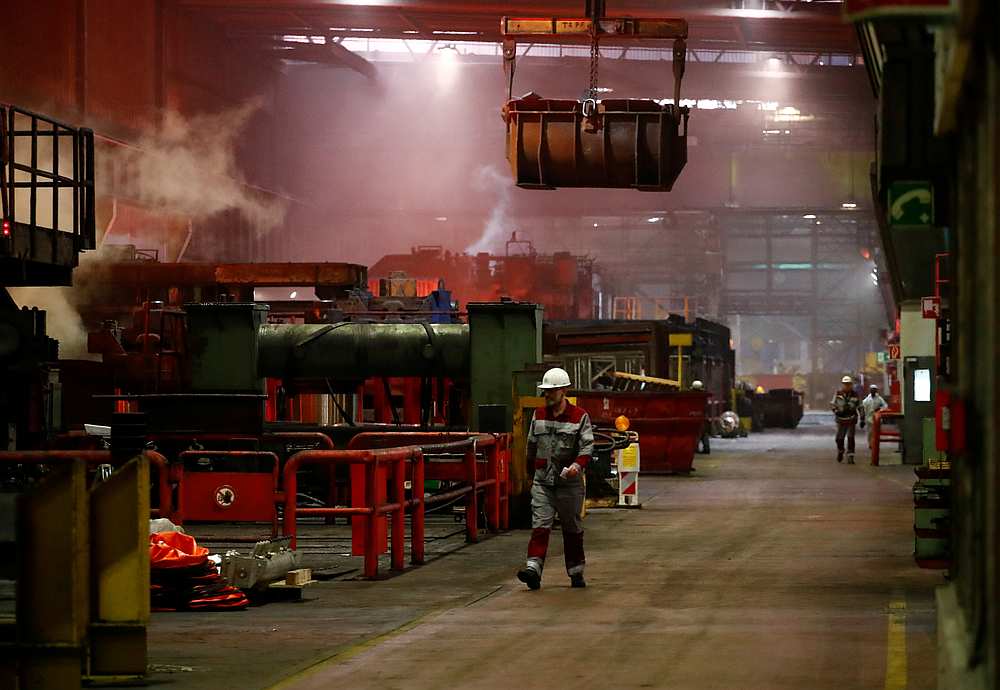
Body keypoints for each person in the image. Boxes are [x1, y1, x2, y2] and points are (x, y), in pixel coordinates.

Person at [516, 367, 594, 590]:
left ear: (563, 391)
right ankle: (533, 570)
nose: (546, 395)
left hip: (569, 485)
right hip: (543, 482)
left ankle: (576, 571)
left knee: (572, 528)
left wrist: (577, 466)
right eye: (545, 391)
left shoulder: (580, 417)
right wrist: (530, 475)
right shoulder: (538, 415)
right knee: (540, 525)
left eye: (551, 391)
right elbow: (531, 447)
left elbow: (587, 448)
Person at [830, 375, 861, 463]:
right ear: (842, 385)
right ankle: (840, 450)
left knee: (851, 437)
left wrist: (862, 418)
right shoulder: (838, 393)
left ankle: (850, 455)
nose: (847, 386)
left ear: (851, 385)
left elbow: (860, 406)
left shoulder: (855, 394)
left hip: (851, 418)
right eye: (845, 384)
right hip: (841, 419)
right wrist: (836, 411)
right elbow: (833, 404)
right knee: (839, 438)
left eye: (849, 384)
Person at [860, 384, 888, 452]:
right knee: (870, 433)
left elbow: (885, 406)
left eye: (874, 389)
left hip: (877, 419)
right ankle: (870, 444)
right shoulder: (866, 400)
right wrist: (862, 419)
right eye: (872, 389)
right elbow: (863, 409)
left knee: (876, 433)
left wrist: (879, 409)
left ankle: (875, 444)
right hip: (869, 419)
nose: (873, 391)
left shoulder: (879, 399)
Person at [691, 380, 711, 454]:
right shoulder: (703, 396)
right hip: (703, 417)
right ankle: (706, 448)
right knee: (704, 433)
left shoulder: (691, 397)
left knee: (696, 433)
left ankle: (695, 448)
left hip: (694, 416)